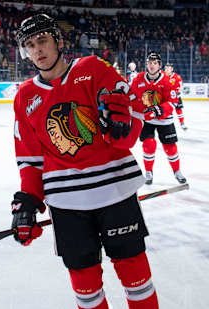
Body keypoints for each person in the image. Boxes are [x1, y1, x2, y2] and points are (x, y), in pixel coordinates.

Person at [11, 14, 159, 309]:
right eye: (30, 45)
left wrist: (122, 122)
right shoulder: (24, 96)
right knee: (85, 286)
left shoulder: (92, 69)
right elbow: (30, 160)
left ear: (59, 42)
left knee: (136, 276)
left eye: (42, 40)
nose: (37, 49)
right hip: (66, 204)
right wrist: (28, 202)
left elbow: (133, 121)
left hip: (115, 191)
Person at [131, 53, 187, 185]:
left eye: (155, 63)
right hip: (147, 119)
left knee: (170, 147)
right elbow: (131, 95)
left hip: (164, 119)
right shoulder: (139, 78)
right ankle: (149, 172)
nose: (152, 65)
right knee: (148, 144)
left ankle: (177, 171)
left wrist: (159, 110)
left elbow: (173, 101)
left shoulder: (167, 81)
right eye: (150, 63)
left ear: (159, 65)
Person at [164, 63, 186, 130]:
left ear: (172, 69)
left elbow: (180, 86)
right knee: (165, 110)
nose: (167, 70)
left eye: (168, 68)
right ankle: (165, 124)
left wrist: (178, 92)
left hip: (175, 97)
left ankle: (182, 123)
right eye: (166, 68)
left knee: (178, 109)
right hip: (166, 97)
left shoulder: (176, 77)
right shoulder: (162, 76)